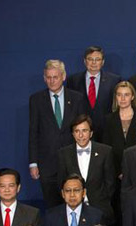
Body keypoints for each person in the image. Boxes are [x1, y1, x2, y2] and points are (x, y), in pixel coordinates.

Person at [29, 59, 89, 207]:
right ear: (44, 78)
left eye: (55, 77)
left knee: (75, 202)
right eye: (48, 77)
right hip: (47, 162)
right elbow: (33, 132)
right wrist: (33, 162)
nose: (52, 81)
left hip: (72, 160)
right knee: (52, 206)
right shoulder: (36, 100)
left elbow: (83, 128)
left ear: (63, 76)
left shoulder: (77, 98)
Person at [57, 114, 116, 226]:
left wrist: (100, 201)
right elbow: (61, 183)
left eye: (84, 131)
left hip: (100, 210)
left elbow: (110, 183)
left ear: (91, 133)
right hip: (73, 211)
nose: (81, 135)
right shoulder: (64, 154)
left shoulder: (105, 151)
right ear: (73, 134)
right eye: (77, 131)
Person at [66, 46, 121, 136]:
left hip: (107, 130)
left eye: (97, 59)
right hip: (81, 132)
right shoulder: (73, 80)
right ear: (85, 61)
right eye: (90, 59)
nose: (94, 62)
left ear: (103, 62)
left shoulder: (114, 80)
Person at [102, 81, 136, 179]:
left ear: (132, 97)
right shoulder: (108, 120)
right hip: (114, 173)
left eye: (126, 95)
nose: (123, 98)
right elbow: (106, 148)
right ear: (115, 97)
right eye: (119, 95)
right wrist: (117, 171)